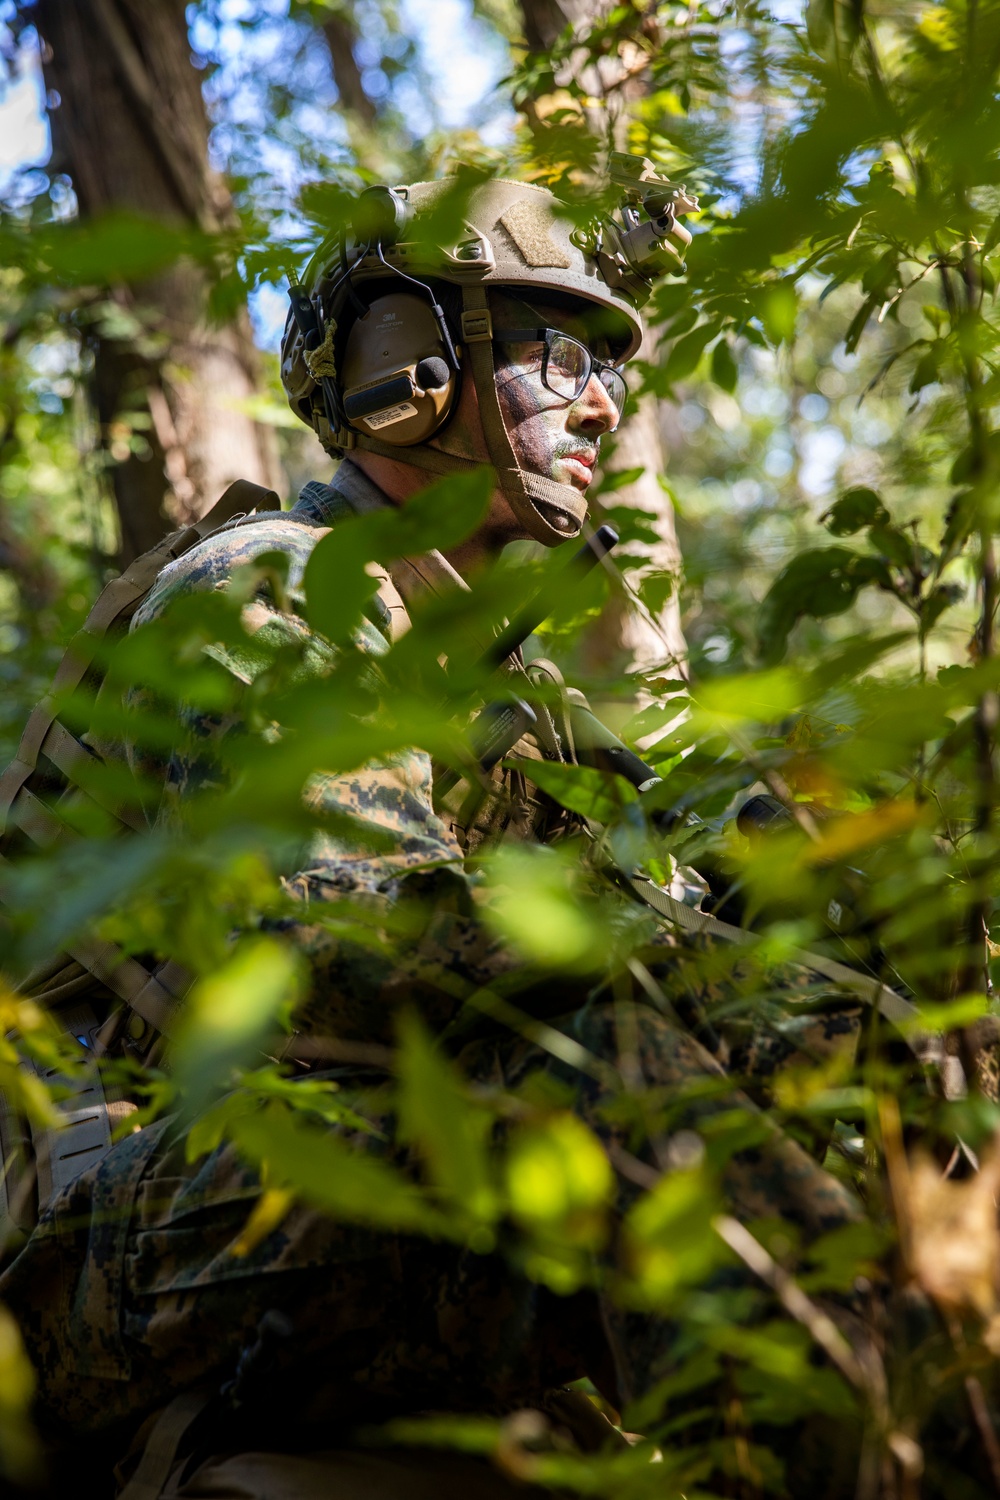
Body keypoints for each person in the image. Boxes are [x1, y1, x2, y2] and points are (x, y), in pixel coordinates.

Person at [0, 171, 879, 1498]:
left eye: (608, 371)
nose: (603, 404)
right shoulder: (275, 585)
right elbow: (350, 947)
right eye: (560, 355)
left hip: (272, 1191)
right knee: (629, 1074)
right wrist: (705, 966)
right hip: (88, 1245)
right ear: (407, 370)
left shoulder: (505, 696)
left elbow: (728, 908)